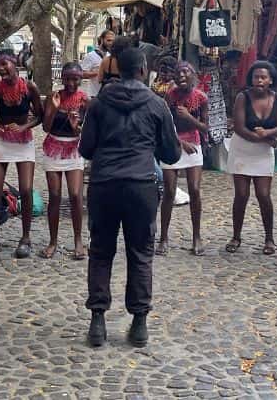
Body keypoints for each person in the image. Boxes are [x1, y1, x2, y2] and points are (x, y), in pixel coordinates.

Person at [79, 47, 181, 348]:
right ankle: (139, 323)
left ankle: (98, 321)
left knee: (100, 252)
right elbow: (171, 153)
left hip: (104, 183)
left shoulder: (99, 104)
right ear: (143, 70)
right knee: (140, 253)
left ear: (117, 69)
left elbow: (86, 149)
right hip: (141, 184)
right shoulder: (157, 103)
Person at [0, 49, 43, 258]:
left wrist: (25, 126)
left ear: (14, 63)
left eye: (4, 64)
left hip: (23, 142)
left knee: (26, 189)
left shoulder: (30, 87)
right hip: (2, 142)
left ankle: (25, 238)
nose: (0, 69)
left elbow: (40, 116)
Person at [225, 61, 277, 255]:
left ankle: (269, 238)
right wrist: (262, 138)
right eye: (256, 77)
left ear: (270, 80)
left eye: (263, 77)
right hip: (243, 148)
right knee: (241, 195)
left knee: (264, 195)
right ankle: (236, 236)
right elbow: (240, 127)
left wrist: (267, 134)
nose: (259, 80)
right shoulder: (243, 97)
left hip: (263, 153)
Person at [158, 62, 209, 256]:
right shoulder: (169, 96)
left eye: (186, 71)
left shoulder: (201, 98)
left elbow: (205, 128)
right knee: (170, 191)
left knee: (194, 189)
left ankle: (196, 236)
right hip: (172, 143)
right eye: (178, 72)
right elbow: (164, 125)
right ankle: (163, 237)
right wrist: (179, 142)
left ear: (193, 75)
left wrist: (189, 117)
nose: (181, 75)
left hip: (193, 144)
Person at [40, 62, 88, 260]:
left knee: (76, 195)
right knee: (55, 195)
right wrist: (54, 108)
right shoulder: (55, 96)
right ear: (62, 77)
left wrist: (75, 126)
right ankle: (53, 241)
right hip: (54, 147)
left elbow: (85, 131)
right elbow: (45, 127)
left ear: (81, 79)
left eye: (75, 78)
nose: (71, 83)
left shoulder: (85, 100)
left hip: (74, 148)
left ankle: (78, 240)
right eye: (67, 78)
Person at [81, 30, 114, 97]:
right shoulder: (90, 55)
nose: (111, 43)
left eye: (113, 41)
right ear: (101, 39)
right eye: (108, 40)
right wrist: (99, 72)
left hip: (108, 96)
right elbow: (82, 74)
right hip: (94, 95)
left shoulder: (111, 56)